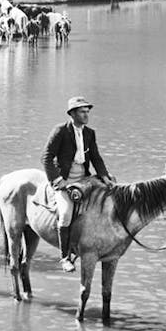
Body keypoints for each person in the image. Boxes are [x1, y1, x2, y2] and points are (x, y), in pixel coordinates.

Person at [41, 96, 114, 272]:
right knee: (66, 213)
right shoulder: (60, 131)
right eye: (82, 112)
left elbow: (96, 157)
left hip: (84, 179)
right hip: (64, 180)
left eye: (87, 111)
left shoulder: (90, 133)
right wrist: (58, 180)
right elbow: (46, 157)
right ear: (72, 114)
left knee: (108, 201)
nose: (86, 115)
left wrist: (104, 176)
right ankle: (65, 257)